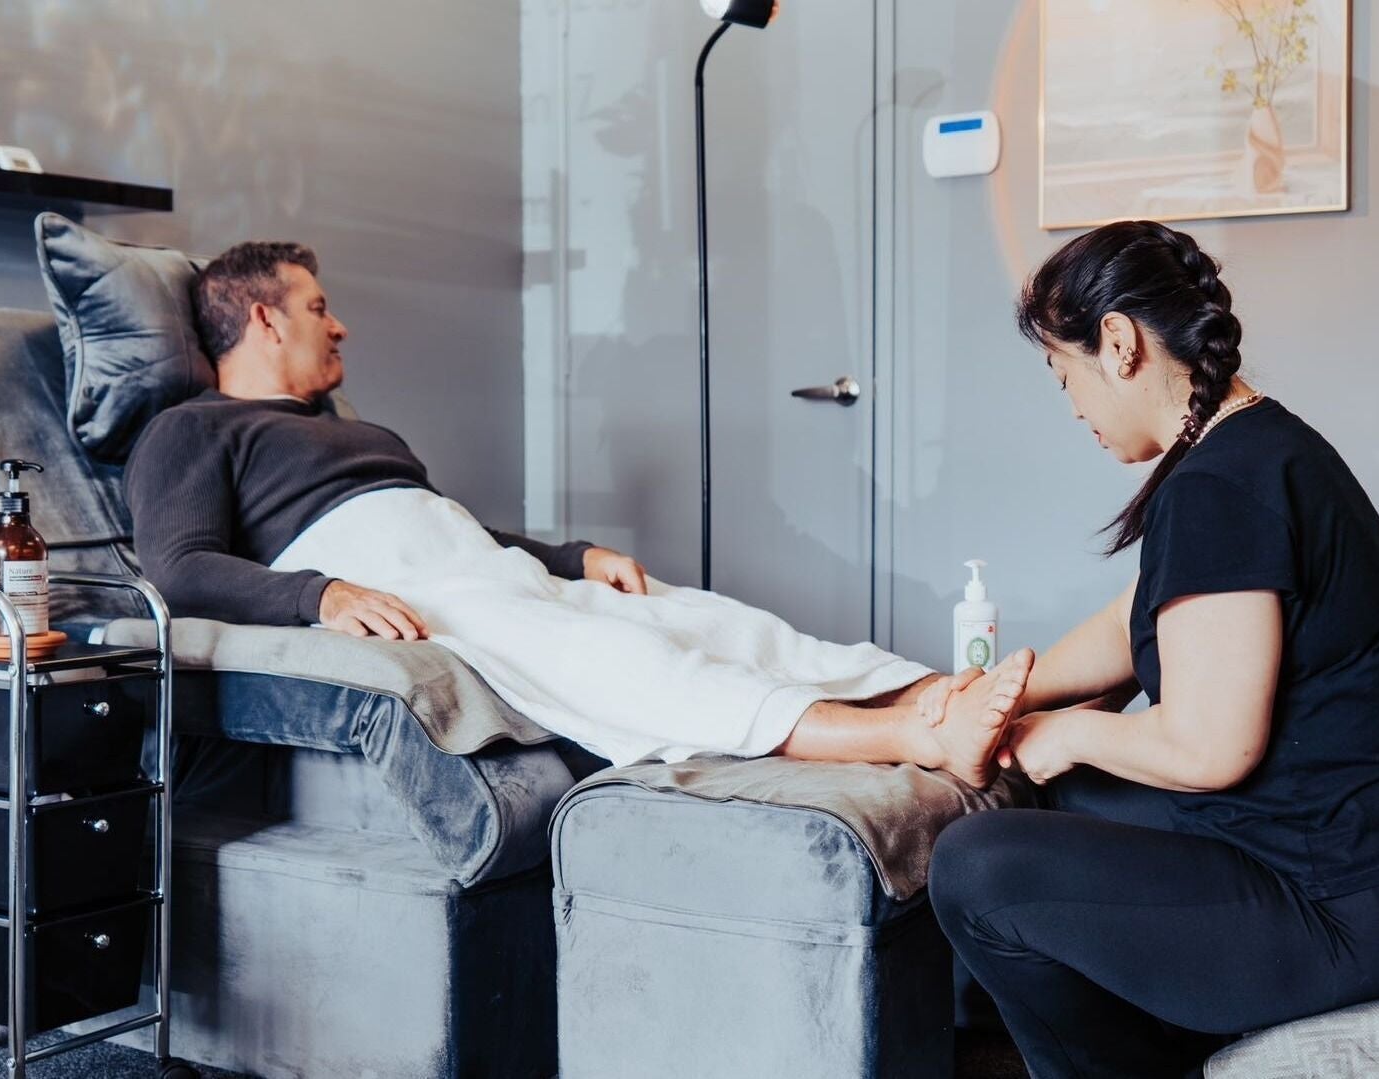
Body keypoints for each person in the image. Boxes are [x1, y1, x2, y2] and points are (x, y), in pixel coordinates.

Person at [125, 240, 1033, 777]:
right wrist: (319, 594)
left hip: (479, 566)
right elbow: (178, 569)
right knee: (625, 656)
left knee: (707, 618)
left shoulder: (348, 431)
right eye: (318, 307)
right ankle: (906, 736)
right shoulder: (190, 429)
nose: (339, 325)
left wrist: (570, 558)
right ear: (264, 319)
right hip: (416, 596)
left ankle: (937, 692)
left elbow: (449, 523)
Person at [926, 220, 1379, 1078]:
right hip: (1330, 858)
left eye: (1063, 375)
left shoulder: (1219, 485)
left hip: (1337, 904)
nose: (1072, 406)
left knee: (974, 868)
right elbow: (1133, 620)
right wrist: (1010, 692)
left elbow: (1209, 747)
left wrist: (1065, 732)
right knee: (1068, 797)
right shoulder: (1255, 446)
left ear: (1118, 343)